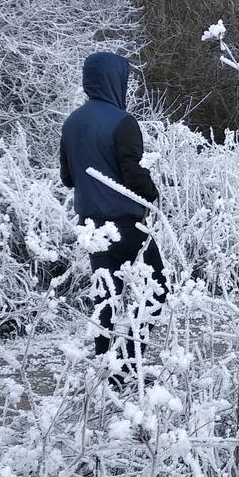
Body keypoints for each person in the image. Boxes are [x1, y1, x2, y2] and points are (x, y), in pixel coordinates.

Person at [59, 52, 165, 367]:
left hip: (91, 227)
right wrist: (153, 192)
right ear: (114, 80)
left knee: (106, 297)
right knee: (156, 287)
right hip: (128, 225)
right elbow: (132, 173)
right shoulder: (123, 121)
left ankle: (107, 365)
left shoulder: (71, 122)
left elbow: (68, 178)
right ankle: (131, 360)